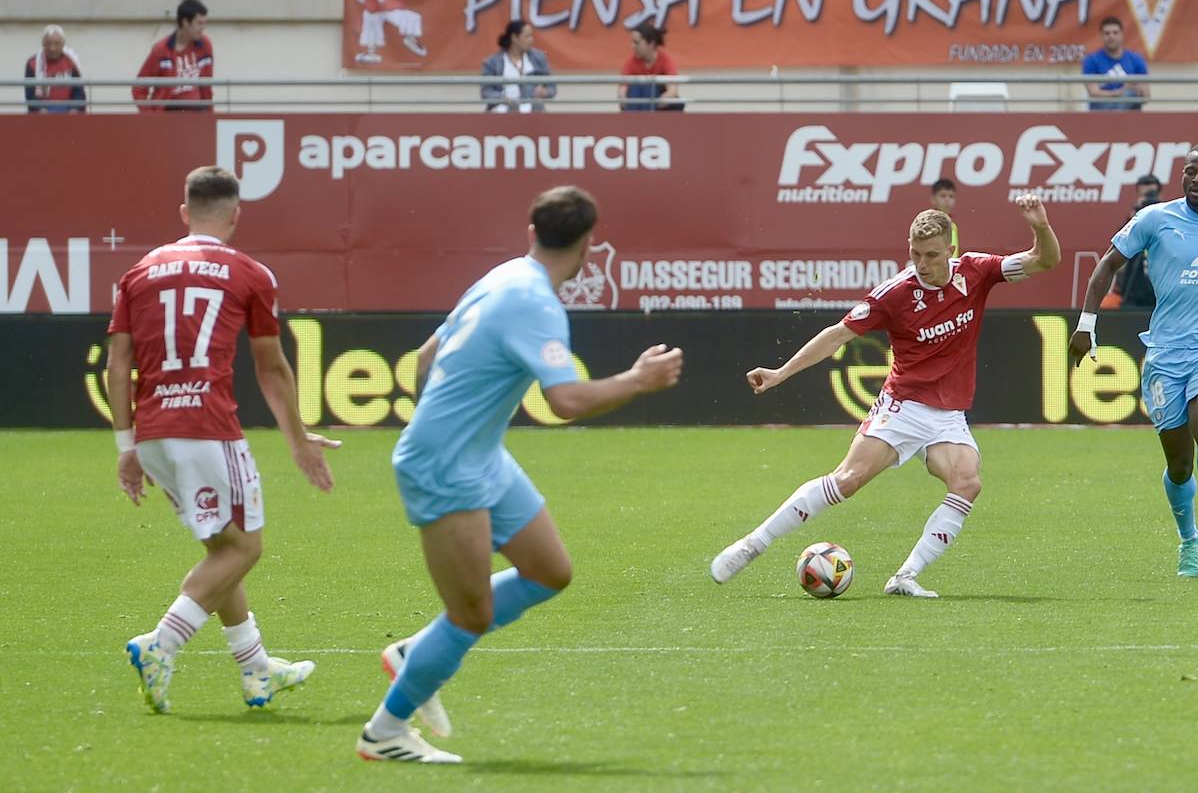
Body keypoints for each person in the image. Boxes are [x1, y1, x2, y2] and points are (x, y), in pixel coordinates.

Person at [355, 186, 683, 764]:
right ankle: (384, 732)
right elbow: (565, 401)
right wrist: (639, 380)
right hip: (446, 465)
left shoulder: (503, 275)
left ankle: (418, 653)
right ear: (589, 245)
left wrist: (457, 424)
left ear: (531, 231)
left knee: (550, 570)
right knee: (471, 613)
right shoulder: (535, 303)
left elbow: (424, 360)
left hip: (479, 455)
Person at [711, 196, 1061, 598]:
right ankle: (752, 544)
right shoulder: (894, 293)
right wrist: (780, 373)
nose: (923, 263)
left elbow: (1044, 260)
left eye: (931, 255)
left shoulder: (977, 272)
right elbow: (837, 335)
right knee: (847, 481)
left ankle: (905, 577)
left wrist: (1040, 226)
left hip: (948, 415)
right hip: (904, 406)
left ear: (951, 250)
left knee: (967, 481)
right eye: (915, 254)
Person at [108, 165, 340, 714]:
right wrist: (299, 438)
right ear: (236, 215)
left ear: (184, 212)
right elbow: (271, 367)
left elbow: (118, 365)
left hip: (155, 433)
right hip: (208, 426)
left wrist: (126, 447)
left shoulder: (137, 273)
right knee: (246, 547)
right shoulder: (250, 273)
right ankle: (159, 644)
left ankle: (257, 670)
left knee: (222, 548)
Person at [1070, 145, 1198, 578]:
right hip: (1164, 354)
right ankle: (1187, 541)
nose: (1196, 179)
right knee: (1179, 464)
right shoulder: (1155, 219)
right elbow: (1108, 265)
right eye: (1189, 172)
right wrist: (1087, 322)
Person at [133, 0, 215, 112]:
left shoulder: (205, 46)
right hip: (167, 115)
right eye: (199, 23)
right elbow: (139, 89)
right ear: (185, 22)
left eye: (204, 23)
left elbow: (207, 88)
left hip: (197, 113)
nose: (203, 28)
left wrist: (210, 116)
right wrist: (151, 117)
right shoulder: (160, 50)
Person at [480, 20, 556, 113]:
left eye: (531, 36)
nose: (531, 39)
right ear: (514, 37)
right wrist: (503, 99)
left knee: (536, 109)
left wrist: (545, 92)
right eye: (527, 36)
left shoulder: (538, 58)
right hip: (502, 109)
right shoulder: (492, 62)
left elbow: (552, 88)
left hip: (531, 109)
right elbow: (486, 92)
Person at [1112, 174, 1161, 310]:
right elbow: (1120, 247)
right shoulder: (1133, 219)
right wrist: (1135, 216)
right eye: (1145, 194)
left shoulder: (1166, 218)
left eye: (1152, 193)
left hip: (1159, 290)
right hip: (1133, 289)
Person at [1082, 16, 1150, 111]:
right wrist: (1121, 92)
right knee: (1128, 94)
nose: (1111, 36)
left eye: (1115, 33)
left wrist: (1138, 90)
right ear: (1101, 36)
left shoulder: (1136, 59)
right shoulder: (1092, 60)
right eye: (1107, 33)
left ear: (1122, 35)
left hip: (1130, 116)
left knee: (1131, 95)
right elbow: (1093, 92)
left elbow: (1146, 95)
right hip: (1102, 113)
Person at [24, 25, 87, 114]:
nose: (52, 48)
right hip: (42, 113)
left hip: (68, 110)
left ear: (63, 44)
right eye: (48, 43)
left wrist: (74, 109)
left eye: (57, 44)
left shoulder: (71, 62)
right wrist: (41, 111)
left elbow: (79, 92)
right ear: (43, 44)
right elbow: (30, 95)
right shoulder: (32, 63)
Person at [619, 22, 680, 112]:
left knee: (649, 89)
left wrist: (651, 104)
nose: (632, 46)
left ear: (651, 43)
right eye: (632, 42)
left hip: (659, 109)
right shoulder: (630, 62)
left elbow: (672, 91)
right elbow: (622, 92)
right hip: (635, 107)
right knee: (636, 88)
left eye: (636, 43)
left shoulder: (666, 61)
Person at [930, 177, 959, 257]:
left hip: (950, 268)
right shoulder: (929, 223)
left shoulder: (953, 226)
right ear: (933, 199)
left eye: (951, 196)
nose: (947, 199)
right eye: (943, 196)